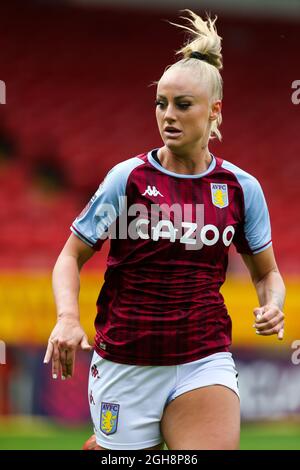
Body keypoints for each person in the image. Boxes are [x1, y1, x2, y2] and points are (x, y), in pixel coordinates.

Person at [44, 10, 285, 450]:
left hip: (203, 356)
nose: (168, 115)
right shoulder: (128, 178)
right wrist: (66, 318)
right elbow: (70, 256)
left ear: (214, 111)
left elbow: (266, 273)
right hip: (125, 361)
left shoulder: (240, 188)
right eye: (161, 103)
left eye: (182, 104)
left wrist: (274, 305)